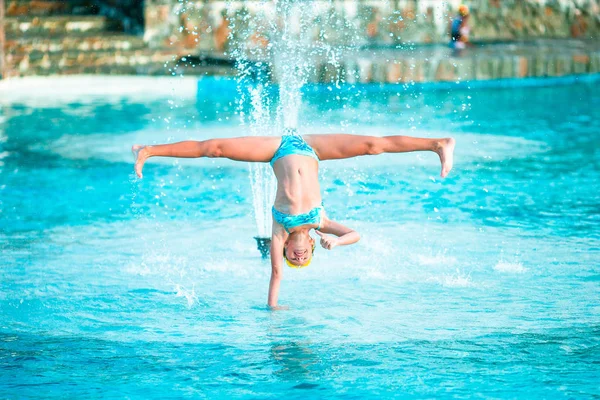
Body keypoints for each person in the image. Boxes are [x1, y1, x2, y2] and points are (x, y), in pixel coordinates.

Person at [132, 131, 455, 309]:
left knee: (214, 149)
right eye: (304, 258)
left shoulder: (278, 231)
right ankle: (436, 144)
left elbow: (275, 274)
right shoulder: (320, 223)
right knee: (372, 146)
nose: (297, 258)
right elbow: (356, 234)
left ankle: (149, 150)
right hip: (313, 148)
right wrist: (338, 241)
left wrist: (273, 308)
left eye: (293, 259)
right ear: (312, 247)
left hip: (276, 150)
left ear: (287, 250)